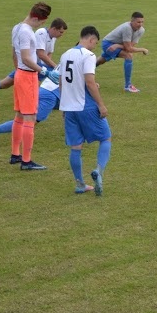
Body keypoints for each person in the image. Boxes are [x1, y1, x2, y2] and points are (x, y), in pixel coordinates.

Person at [59, 26, 112, 195]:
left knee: (76, 147)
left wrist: (64, 105)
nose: (94, 46)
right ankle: (98, 171)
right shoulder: (88, 55)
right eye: (95, 43)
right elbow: (89, 82)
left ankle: (80, 184)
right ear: (90, 39)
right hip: (85, 106)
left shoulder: (65, 54)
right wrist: (101, 105)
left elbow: (62, 83)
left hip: (69, 108)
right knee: (106, 138)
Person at [0, 18, 67, 103]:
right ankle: (58, 100)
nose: (61, 35)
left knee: (5, 84)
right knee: (5, 84)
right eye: (61, 32)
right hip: (29, 66)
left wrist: (49, 67)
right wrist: (54, 67)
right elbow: (40, 54)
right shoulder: (42, 33)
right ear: (54, 29)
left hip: (34, 66)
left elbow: (48, 54)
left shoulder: (52, 38)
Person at [10, 2, 55, 171]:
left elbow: (14, 54)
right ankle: (26, 161)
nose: (41, 25)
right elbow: (27, 57)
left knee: (20, 115)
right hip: (28, 76)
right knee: (30, 117)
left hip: (21, 74)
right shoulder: (26, 32)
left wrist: (17, 72)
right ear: (35, 18)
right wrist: (45, 71)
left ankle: (15, 154)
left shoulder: (16, 28)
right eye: (41, 22)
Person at [0, 68, 62, 150]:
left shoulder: (66, 58)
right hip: (51, 94)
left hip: (45, 89)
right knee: (31, 120)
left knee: (28, 118)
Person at [96, 11, 149, 93]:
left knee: (101, 61)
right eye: (138, 22)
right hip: (108, 44)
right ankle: (128, 86)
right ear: (132, 21)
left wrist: (117, 46)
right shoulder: (127, 28)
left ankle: (81, 71)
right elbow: (129, 49)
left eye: (142, 22)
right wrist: (143, 49)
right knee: (129, 56)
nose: (140, 24)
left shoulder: (141, 30)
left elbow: (131, 45)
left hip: (116, 45)